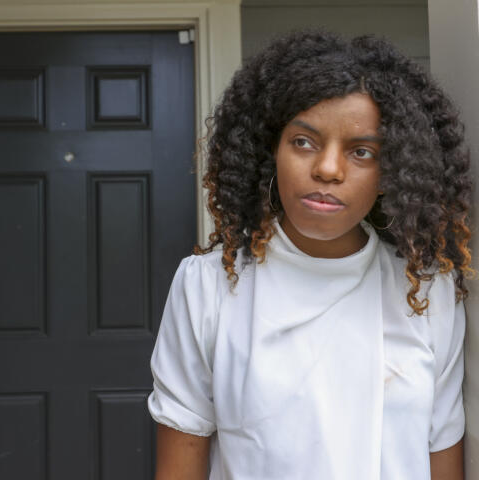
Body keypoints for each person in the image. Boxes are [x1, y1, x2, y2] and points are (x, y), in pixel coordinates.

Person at [147, 29, 473, 480]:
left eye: (361, 152)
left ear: (390, 171)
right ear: (269, 152)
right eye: (303, 142)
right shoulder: (209, 288)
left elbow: (443, 460)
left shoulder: (426, 292)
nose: (327, 169)